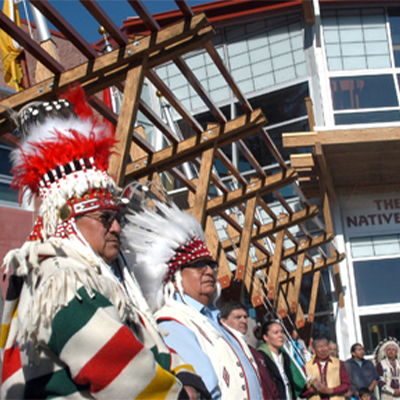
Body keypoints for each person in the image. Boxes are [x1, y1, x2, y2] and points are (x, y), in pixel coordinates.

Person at [0, 87, 208, 399]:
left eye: (118, 218)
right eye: (105, 217)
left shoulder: (98, 277)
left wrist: (186, 378)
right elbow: (119, 370)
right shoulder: (61, 279)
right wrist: (179, 394)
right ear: (68, 219)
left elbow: (150, 344)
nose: (116, 228)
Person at [121, 193, 263, 399]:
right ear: (175, 277)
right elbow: (203, 389)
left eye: (211, 265)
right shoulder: (173, 323)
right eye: (198, 266)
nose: (208, 271)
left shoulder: (215, 319)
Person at [220, 301, 280, 399]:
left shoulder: (256, 354)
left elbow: (271, 387)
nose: (243, 321)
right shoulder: (220, 349)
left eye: (245, 317)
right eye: (238, 317)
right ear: (223, 321)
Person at [257, 320, 298, 399]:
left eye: (282, 332)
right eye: (276, 333)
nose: (281, 336)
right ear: (265, 337)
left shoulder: (285, 356)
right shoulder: (260, 357)